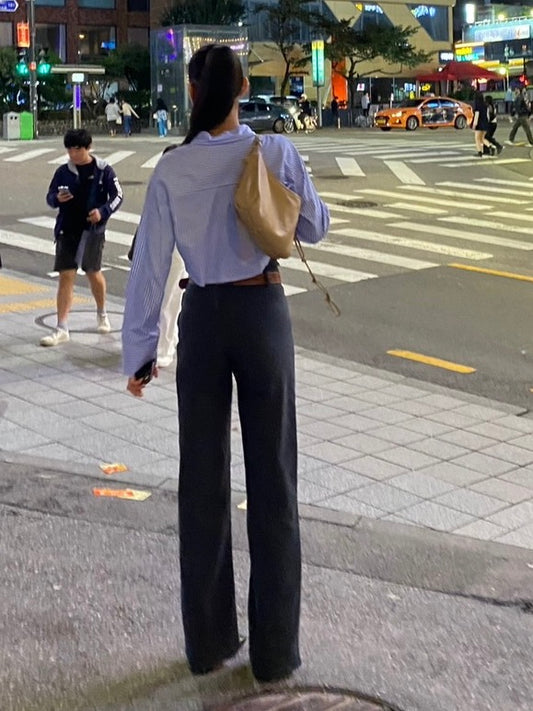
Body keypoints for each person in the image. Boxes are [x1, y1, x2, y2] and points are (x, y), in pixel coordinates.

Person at [122, 44, 329, 682]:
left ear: (192, 91)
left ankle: (209, 643)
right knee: (274, 482)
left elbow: (150, 266)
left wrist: (140, 354)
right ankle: (274, 654)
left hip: (204, 321)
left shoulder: (171, 168)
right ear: (243, 87)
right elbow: (316, 228)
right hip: (263, 314)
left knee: (202, 483)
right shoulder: (274, 152)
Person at [40, 128, 123, 347]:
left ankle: (102, 312)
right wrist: (57, 198)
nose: (73, 154)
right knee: (66, 275)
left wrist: (102, 212)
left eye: (77, 149)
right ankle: (61, 327)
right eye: (69, 150)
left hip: (92, 230)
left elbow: (117, 196)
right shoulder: (63, 171)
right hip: (67, 228)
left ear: (87, 148)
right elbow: (50, 197)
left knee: (92, 271)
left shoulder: (103, 170)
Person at [127, 143, 187, 368]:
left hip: (175, 250)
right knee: (157, 298)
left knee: (170, 299)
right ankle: (161, 343)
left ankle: (166, 347)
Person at [471, 91, 493, 157]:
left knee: (477, 139)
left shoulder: (477, 105)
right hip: (485, 122)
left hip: (479, 123)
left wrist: (474, 125)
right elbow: (488, 115)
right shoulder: (485, 105)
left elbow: (477, 115)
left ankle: (479, 152)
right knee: (482, 138)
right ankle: (491, 146)